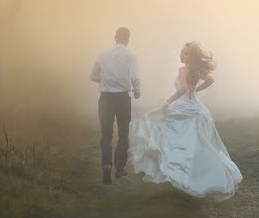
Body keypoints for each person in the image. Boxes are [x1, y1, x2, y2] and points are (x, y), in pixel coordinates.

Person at [129, 41, 242, 201]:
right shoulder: (195, 71)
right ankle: (196, 176)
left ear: (192, 57)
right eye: (182, 52)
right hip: (195, 107)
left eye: (186, 53)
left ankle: (181, 175)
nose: (182, 55)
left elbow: (182, 89)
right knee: (193, 143)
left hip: (183, 106)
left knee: (164, 132)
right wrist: (195, 91)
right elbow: (210, 80)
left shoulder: (183, 69)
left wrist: (167, 102)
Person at [90, 27, 141, 185]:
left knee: (106, 134)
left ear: (114, 37)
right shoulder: (130, 55)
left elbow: (92, 76)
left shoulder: (102, 55)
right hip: (122, 98)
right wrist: (137, 89)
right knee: (123, 133)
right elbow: (134, 75)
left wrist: (105, 81)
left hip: (105, 98)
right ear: (128, 38)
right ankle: (119, 168)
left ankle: (106, 168)